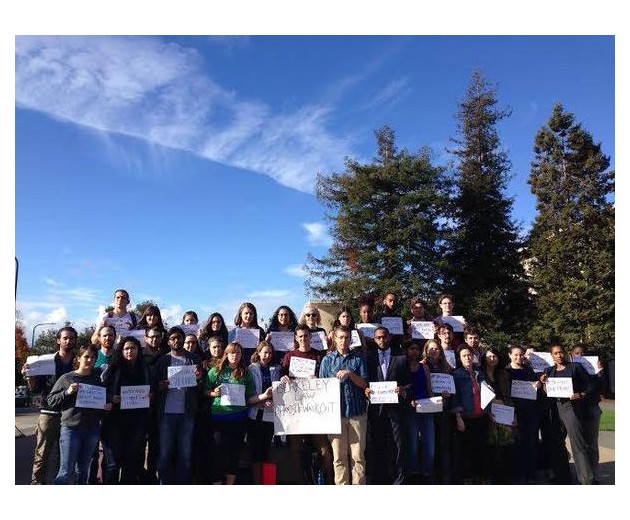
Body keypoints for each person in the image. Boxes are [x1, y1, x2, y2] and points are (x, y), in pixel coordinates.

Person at [47, 344, 111, 484]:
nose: (89, 360)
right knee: (65, 471)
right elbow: (51, 400)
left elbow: (100, 407)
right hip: (71, 429)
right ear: (78, 358)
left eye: (93, 357)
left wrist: (106, 407)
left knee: (83, 470)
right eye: (86, 357)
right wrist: (67, 392)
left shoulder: (98, 381)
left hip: (92, 430)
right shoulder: (67, 378)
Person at [21, 326, 77, 484]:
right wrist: (29, 375)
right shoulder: (46, 362)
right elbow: (35, 388)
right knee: (42, 454)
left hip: (70, 414)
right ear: (58, 340)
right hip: (49, 413)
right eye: (65, 338)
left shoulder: (79, 361)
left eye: (72, 338)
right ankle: (37, 483)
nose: (68, 341)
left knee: (64, 456)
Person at [280, 324, 334, 484]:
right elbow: (282, 379)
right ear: (296, 338)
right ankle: (303, 483)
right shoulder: (289, 356)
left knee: (324, 451)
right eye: (300, 336)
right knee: (296, 451)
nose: (303, 339)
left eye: (306, 336)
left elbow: (327, 379)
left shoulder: (319, 356)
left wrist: (319, 380)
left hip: (316, 411)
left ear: (310, 337)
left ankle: (329, 482)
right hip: (296, 411)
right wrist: (284, 379)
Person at [319, 325, 369, 485]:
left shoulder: (358, 358)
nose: (343, 341)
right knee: (339, 458)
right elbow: (322, 387)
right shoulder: (327, 360)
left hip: (357, 412)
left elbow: (364, 383)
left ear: (350, 339)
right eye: (340, 337)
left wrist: (350, 374)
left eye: (346, 337)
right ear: (334, 338)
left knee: (358, 457)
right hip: (335, 415)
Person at [153, 326, 203, 484]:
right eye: (173, 338)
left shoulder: (194, 359)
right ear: (168, 341)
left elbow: (200, 387)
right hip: (166, 414)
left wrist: (199, 378)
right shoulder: (162, 360)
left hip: (187, 414)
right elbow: (154, 386)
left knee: (185, 455)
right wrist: (161, 385)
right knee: (165, 454)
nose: (176, 340)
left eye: (179, 337)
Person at [206, 342, 259, 484]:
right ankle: (217, 483)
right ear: (226, 354)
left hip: (238, 419)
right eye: (232, 353)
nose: (234, 356)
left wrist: (264, 396)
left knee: (234, 454)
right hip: (218, 418)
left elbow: (249, 397)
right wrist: (213, 393)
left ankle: (230, 484)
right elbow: (205, 391)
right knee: (217, 453)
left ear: (241, 355)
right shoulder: (215, 371)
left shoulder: (246, 373)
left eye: (238, 353)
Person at [541, 345, 594, 485]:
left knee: (578, 443)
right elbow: (542, 387)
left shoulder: (575, 367)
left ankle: (586, 480)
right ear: (551, 356)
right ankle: (563, 479)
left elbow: (590, 385)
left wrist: (582, 394)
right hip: (554, 408)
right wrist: (542, 381)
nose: (559, 355)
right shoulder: (548, 371)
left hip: (570, 407)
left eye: (561, 352)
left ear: (565, 353)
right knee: (557, 444)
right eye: (556, 353)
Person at [101, 336, 151, 484]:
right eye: (126, 348)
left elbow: (153, 388)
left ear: (138, 350)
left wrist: (151, 394)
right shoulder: (113, 368)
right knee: (113, 463)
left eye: (133, 348)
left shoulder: (145, 368)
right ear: (121, 350)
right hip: (114, 420)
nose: (130, 351)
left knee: (131, 460)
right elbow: (102, 390)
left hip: (137, 421)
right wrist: (112, 397)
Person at [364, 326, 410, 484]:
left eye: (384, 337)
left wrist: (403, 389)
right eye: (378, 338)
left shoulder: (402, 358)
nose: (382, 340)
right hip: (376, 410)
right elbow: (365, 382)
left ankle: (399, 480)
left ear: (389, 337)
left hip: (395, 409)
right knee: (377, 445)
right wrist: (366, 390)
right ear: (374, 339)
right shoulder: (368, 359)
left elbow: (409, 383)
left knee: (398, 446)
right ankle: (379, 480)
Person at [451, 345, 488, 484]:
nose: (467, 358)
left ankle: (481, 477)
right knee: (466, 450)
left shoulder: (479, 373)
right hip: (466, 417)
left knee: (481, 449)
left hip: (481, 416)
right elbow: (455, 398)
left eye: (469, 355)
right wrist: (458, 417)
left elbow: (485, 392)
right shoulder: (457, 374)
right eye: (464, 356)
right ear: (460, 359)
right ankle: (467, 478)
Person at [246, 341, 282, 484]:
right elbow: (249, 394)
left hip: (271, 415)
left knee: (267, 451)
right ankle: (256, 482)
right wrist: (262, 400)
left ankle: (266, 482)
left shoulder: (277, 368)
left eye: (270, 353)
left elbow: (280, 390)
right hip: (255, 414)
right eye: (264, 352)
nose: (267, 356)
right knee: (255, 452)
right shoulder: (251, 369)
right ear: (258, 352)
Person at [505, 345, 541, 484]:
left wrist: (537, 384)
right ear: (509, 355)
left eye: (521, 355)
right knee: (516, 444)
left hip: (530, 412)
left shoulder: (528, 369)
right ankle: (518, 475)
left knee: (531, 443)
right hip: (514, 412)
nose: (518, 357)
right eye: (515, 355)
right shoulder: (506, 371)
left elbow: (536, 384)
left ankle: (530, 475)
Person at [421, 339, 453, 484]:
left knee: (444, 445)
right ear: (426, 350)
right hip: (428, 409)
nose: (434, 351)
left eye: (437, 348)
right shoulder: (421, 366)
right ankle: (430, 477)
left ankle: (444, 478)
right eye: (431, 349)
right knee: (429, 445)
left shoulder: (447, 367)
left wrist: (448, 394)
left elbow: (452, 389)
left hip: (444, 410)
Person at [480, 345, 514, 484]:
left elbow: (507, 394)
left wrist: (513, 414)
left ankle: (503, 477)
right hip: (487, 410)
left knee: (504, 444)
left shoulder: (503, 373)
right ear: (484, 358)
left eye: (494, 356)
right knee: (490, 444)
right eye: (489, 356)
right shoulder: (479, 372)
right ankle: (490, 476)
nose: (492, 359)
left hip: (503, 410)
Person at [403, 339, 435, 484]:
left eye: (417, 349)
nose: (414, 351)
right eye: (411, 349)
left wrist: (434, 401)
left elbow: (429, 388)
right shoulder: (402, 366)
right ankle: (413, 473)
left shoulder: (424, 367)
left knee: (429, 443)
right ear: (406, 351)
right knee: (413, 443)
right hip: (410, 409)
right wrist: (408, 400)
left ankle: (427, 473)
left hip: (426, 407)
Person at [571, 343, 604, 483]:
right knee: (579, 445)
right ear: (572, 355)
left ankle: (593, 475)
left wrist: (600, 373)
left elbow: (601, 387)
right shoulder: (569, 368)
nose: (581, 356)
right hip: (574, 410)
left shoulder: (595, 369)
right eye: (577, 353)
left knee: (592, 444)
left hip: (591, 408)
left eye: (583, 353)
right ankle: (583, 476)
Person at [141, 326, 165, 484]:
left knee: (155, 446)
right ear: (146, 338)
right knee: (138, 445)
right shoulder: (138, 356)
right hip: (139, 407)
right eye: (152, 337)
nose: (155, 339)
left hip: (158, 407)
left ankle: (150, 478)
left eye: (158, 337)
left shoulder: (165, 357)